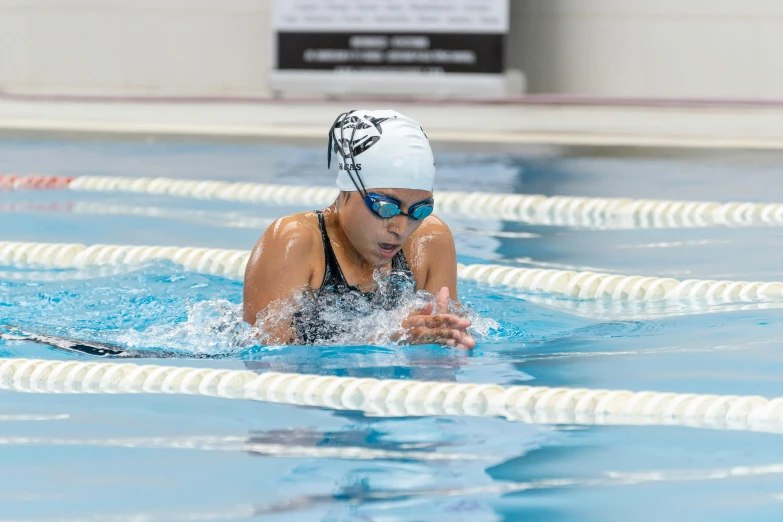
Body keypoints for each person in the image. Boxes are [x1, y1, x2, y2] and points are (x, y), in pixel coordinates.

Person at [243, 109, 476, 349]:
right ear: (346, 190)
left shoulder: (429, 240)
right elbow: (265, 357)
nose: (401, 228)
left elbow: (436, 360)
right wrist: (386, 338)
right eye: (385, 208)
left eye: (420, 211)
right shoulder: (294, 242)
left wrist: (446, 343)